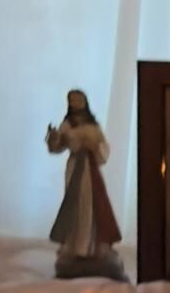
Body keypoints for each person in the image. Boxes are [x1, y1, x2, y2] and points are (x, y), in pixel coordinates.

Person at [45, 90, 122, 278]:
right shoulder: (67, 125)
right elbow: (58, 146)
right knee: (74, 206)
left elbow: (103, 147)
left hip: (90, 168)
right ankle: (74, 246)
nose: (75, 102)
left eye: (78, 99)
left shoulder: (93, 126)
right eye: (72, 100)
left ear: (84, 101)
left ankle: (90, 246)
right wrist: (54, 138)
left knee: (90, 205)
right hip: (75, 167)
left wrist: (94, 146)